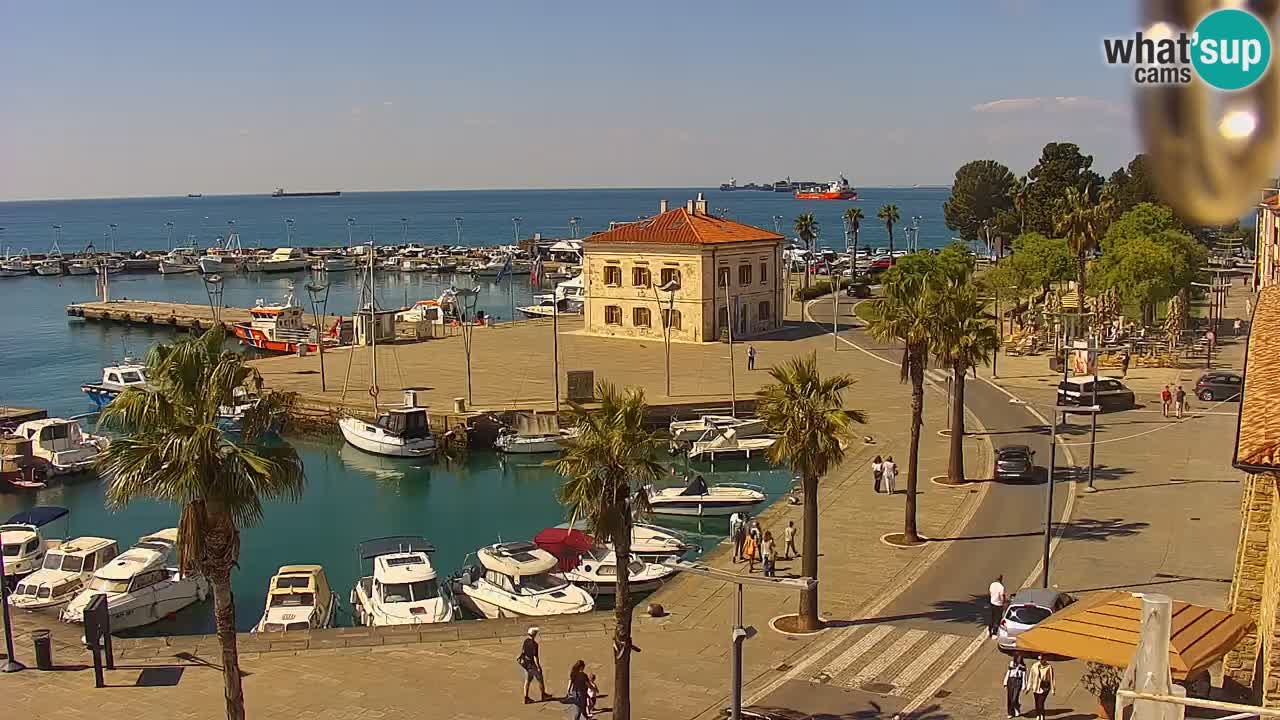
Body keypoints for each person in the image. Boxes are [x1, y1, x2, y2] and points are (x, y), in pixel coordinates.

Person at [519, 627, 552, 704]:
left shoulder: (525, 641)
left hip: (525, 664)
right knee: (540, 679)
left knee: (527, 680)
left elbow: (523, 651)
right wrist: (539, 667)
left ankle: (526, 698)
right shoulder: (534, 644)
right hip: (531, 664)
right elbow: (536, 657)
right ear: (534, 635)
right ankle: (543, 695)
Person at [1027, 655, 1054, 720]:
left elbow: (1051, 678)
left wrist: (1053, 689)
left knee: (1041, 702)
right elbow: (1031, 677)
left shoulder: (1049, 667)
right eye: (1040, 659)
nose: (1042, 661)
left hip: (1044, 687)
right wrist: (1028, 687)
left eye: (1043, 659)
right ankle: (1038, 714)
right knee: (1037, 702)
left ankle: (1042, 715)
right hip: (1035, 687)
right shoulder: (1034, 666)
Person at [1003, 654, 1027, 718]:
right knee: (1010, 697)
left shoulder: (1023, 666)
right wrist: (1005, 681)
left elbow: (1024, 676)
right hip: (1011, 680)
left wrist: (1024, 684)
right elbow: (1008, 672)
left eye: (1020, 658)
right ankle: (1010, 713)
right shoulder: (1012, 663)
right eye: (1018, 658)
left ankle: (1016, 706)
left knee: (1015, 697)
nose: (1019, 659)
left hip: (1018, 681)